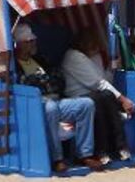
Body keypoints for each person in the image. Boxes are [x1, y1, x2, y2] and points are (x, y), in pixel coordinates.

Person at [13, 23, 102, 172]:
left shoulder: (39, 59)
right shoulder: (15, 65)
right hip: (36, 104)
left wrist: (44, 81)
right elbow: (27, 84)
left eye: (33, 40)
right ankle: (57, 158)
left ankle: (84, 154)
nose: (34, 44)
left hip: (54, 99)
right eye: (29, 42)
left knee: (86, 104)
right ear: (20, 44)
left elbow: (58, 78)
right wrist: (44, 82)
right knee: (51, 108)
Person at [61, 30, 135, 161]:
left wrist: (111, 68)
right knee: (100, 98)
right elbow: (96, 83)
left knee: (106, 96)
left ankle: (120, 146)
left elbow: (103, 79)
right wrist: (122, 99)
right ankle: (101, 150)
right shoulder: (73, 56)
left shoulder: (93, 57)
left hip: (95, 93)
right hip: (77, 96)